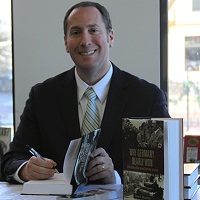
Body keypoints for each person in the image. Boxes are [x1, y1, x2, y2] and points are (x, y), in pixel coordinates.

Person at [1, 1, 170, 187]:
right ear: (66, 42)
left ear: (110, 37)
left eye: (93, 30)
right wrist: (25, 169)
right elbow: (11, 160)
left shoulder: (147, 97)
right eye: (75, 32)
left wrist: (116, 178)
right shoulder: (42, 96)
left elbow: (165, 169)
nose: (85, 41)